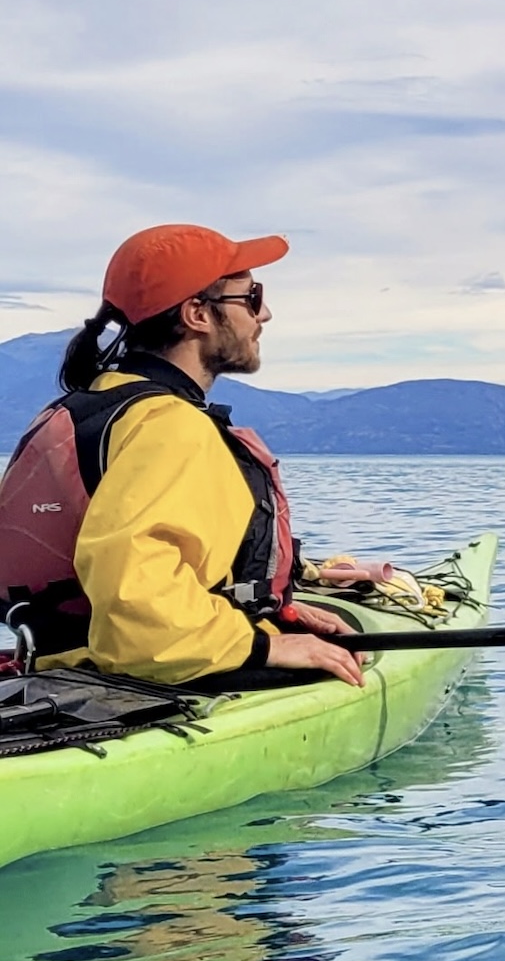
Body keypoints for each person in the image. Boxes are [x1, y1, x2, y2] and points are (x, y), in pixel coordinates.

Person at [0, 225, 364, 686]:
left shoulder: (84, 406)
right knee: (344, 665)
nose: (265, 314)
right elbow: (141, 608)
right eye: (251, 297)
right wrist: (265, 644)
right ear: (197, 314)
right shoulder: (169, 426)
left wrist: (268, 608)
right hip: (155, 669)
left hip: (64, 661)